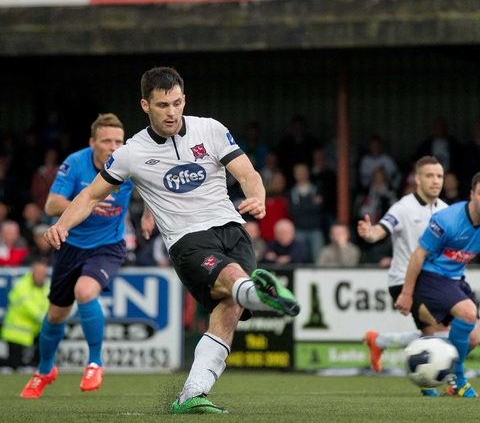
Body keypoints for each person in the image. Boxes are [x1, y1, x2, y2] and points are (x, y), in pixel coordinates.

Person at [41, 68, 300, 414]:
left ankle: (193, 392)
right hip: (187, 239)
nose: (172, 112)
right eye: (163, 105)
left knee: (230, 307)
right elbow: (89, 196)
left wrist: (258, 197)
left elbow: (247, 173)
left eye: (177, 103)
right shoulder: (131, 152)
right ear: (145, 105)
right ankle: (262, 293)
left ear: (184, 100)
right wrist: (62, 225)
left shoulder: (211, 128)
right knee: (233, 279)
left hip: (232, 228)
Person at [18, 113, 133, 399]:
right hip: (70, 246)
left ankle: (95, 362)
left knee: (85, 291)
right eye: (106, 140)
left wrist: (149, 218)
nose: (113, 147)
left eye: (119, 141)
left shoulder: (131, 161)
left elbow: (155, 190)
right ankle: (45, 370)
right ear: (93, 142)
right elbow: (52, 204)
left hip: (108, 245)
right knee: (56, 314)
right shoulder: (75, 163)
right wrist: (87, 203)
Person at [395, 171, 480, 398]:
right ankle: (458, 379)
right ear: (472, 195)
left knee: (473, 339)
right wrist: (407, 292)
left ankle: (431, 374)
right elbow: (418, 255)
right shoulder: (446, 220)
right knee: (468, 312)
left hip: (455, 280)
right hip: (430, 277)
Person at [357, 157, 449, 390]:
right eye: (429, 176)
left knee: (437, 337)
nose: (435, 181)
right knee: (443, 330)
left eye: (439, 176)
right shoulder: (403, 207)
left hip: (433, 282)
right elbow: (381, 230)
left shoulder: (446, 211)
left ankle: (379, 340)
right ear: (418, 179)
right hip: (403, 281)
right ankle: (455, 382)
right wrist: (369, 233)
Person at [1, 259, 49, 370]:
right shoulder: (22, 286)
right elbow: (29, 308)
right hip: (16, 333)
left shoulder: (45, 287)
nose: (41, 276)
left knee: (28, 363)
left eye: (43, 273)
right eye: (39, 273)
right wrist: (48, 320)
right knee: (14, 364)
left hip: (32, 332)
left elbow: (50, 305)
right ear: (33, 272)